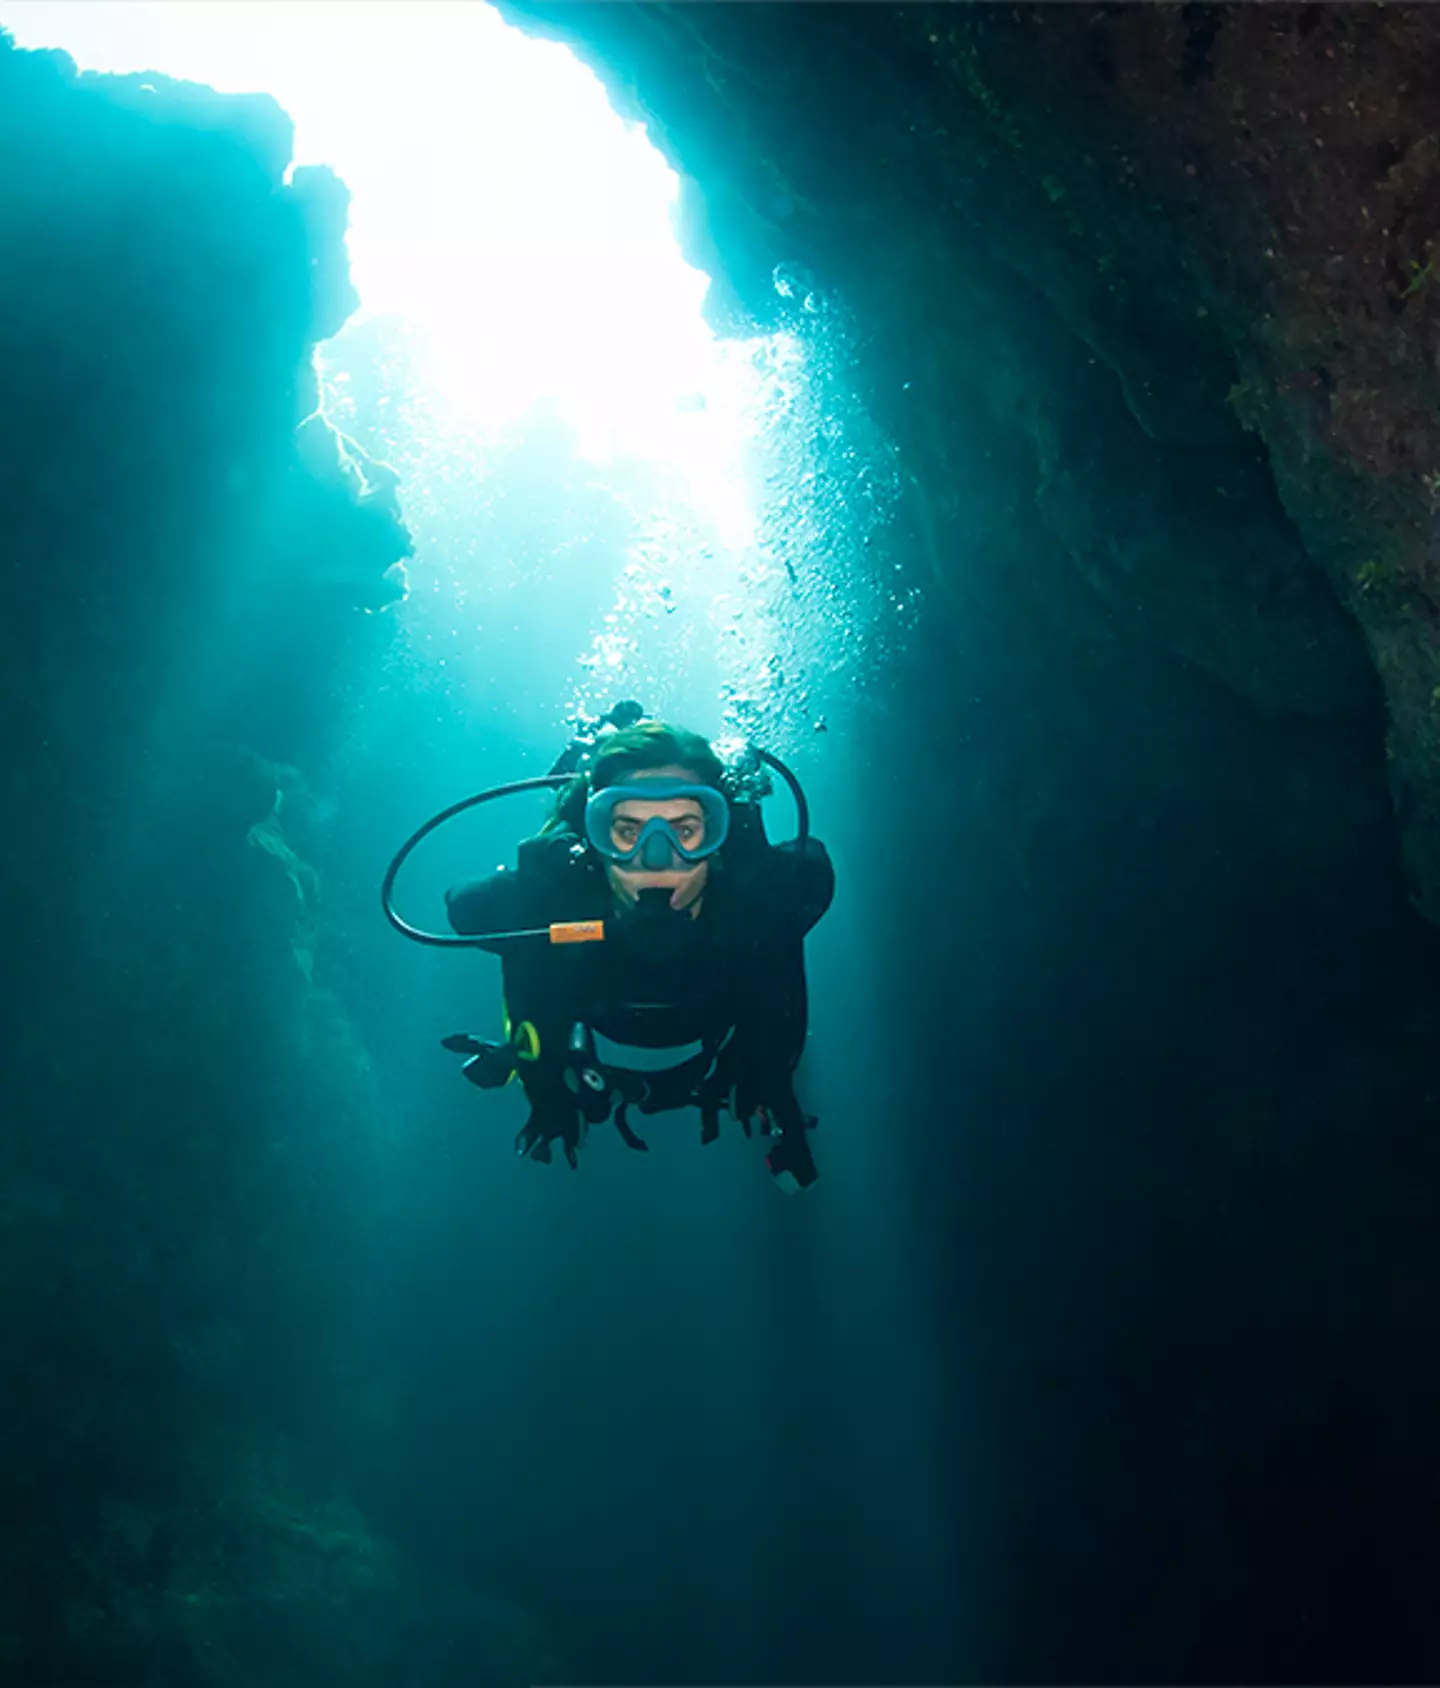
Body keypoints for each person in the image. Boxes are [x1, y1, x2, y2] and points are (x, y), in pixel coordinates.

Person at [443, 718, 834, 1189]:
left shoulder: (771, 895)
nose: (656, 859)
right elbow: (465, 906)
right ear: (593, 839)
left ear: (720, 836)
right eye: (627, 830)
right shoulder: (538, 908)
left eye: (684, 830)